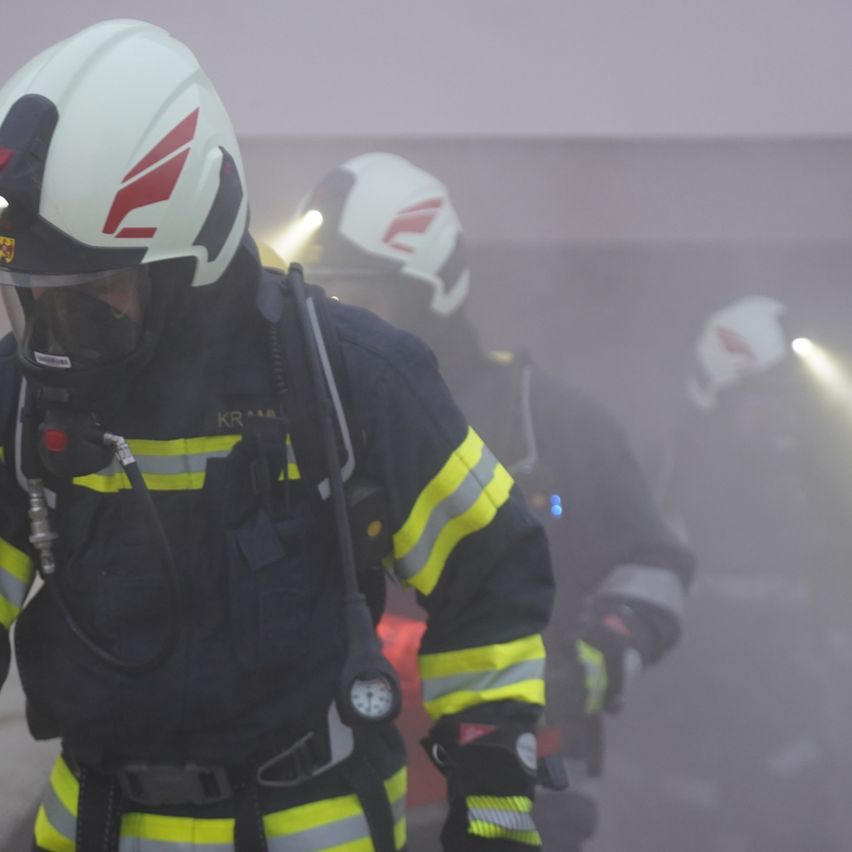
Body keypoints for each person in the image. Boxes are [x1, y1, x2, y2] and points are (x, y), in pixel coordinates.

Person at [0, 22, 554, 852]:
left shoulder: (353, 377)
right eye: (32, 296)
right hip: (93, 825)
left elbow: (490, 573)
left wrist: (496, 813)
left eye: (96, 292)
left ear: (193, 257)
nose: (56, 331)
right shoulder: (21, 393)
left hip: (308, 824)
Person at [284, 152, 696, 850]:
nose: (340, 325)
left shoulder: (551, 423)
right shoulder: (291, 425)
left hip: (510, 788)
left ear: (432, 294)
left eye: (365, 300)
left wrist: (584, 665)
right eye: (324, 299)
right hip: (333, 802)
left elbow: (653, 564)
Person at [641, 294, 852, 852]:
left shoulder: (801, 475)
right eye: (763, 400)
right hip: (701, 707)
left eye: (787, 401)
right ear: (721, 392)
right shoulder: (681, 475)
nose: (782, 418)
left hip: (790, 706)